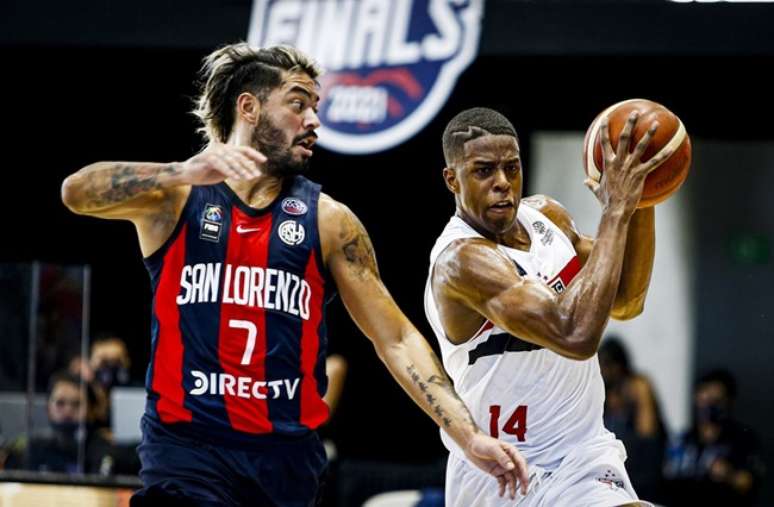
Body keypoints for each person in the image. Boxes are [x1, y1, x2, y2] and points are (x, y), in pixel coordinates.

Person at [60, 44, 527, 506]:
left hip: (284, 464)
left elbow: (396, 338)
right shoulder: (176, 198)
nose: (314, 121)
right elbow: (77, 192)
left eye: (315, 107)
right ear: (249, 107)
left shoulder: (328, 220)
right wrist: (179, 170)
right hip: (187, 454)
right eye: (298, 104)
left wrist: (467, 435)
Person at [424, 107, 675, 506]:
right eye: (484, 171)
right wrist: (615, 211)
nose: (503, 183)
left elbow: (626, 300)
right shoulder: (462, 261)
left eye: (512, 167)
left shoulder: (548, 218)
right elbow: (574, 334)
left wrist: (642, 196)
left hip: (582, 457)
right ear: (452, 179)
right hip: (503, 469)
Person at [663, 369, 764, 506]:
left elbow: (749, 482)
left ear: (728, 402)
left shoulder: (742, 439)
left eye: (715, 400)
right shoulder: (682, 440)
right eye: (703, 399)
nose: (707, 406)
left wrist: (728, 475)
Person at [599, 337, 667, 502]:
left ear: (618, 366)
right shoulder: (604, 392)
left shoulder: (638, 385)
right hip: (614, 470)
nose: (602, 372)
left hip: (643, 468)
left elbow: (647, 433)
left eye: (606, 366)